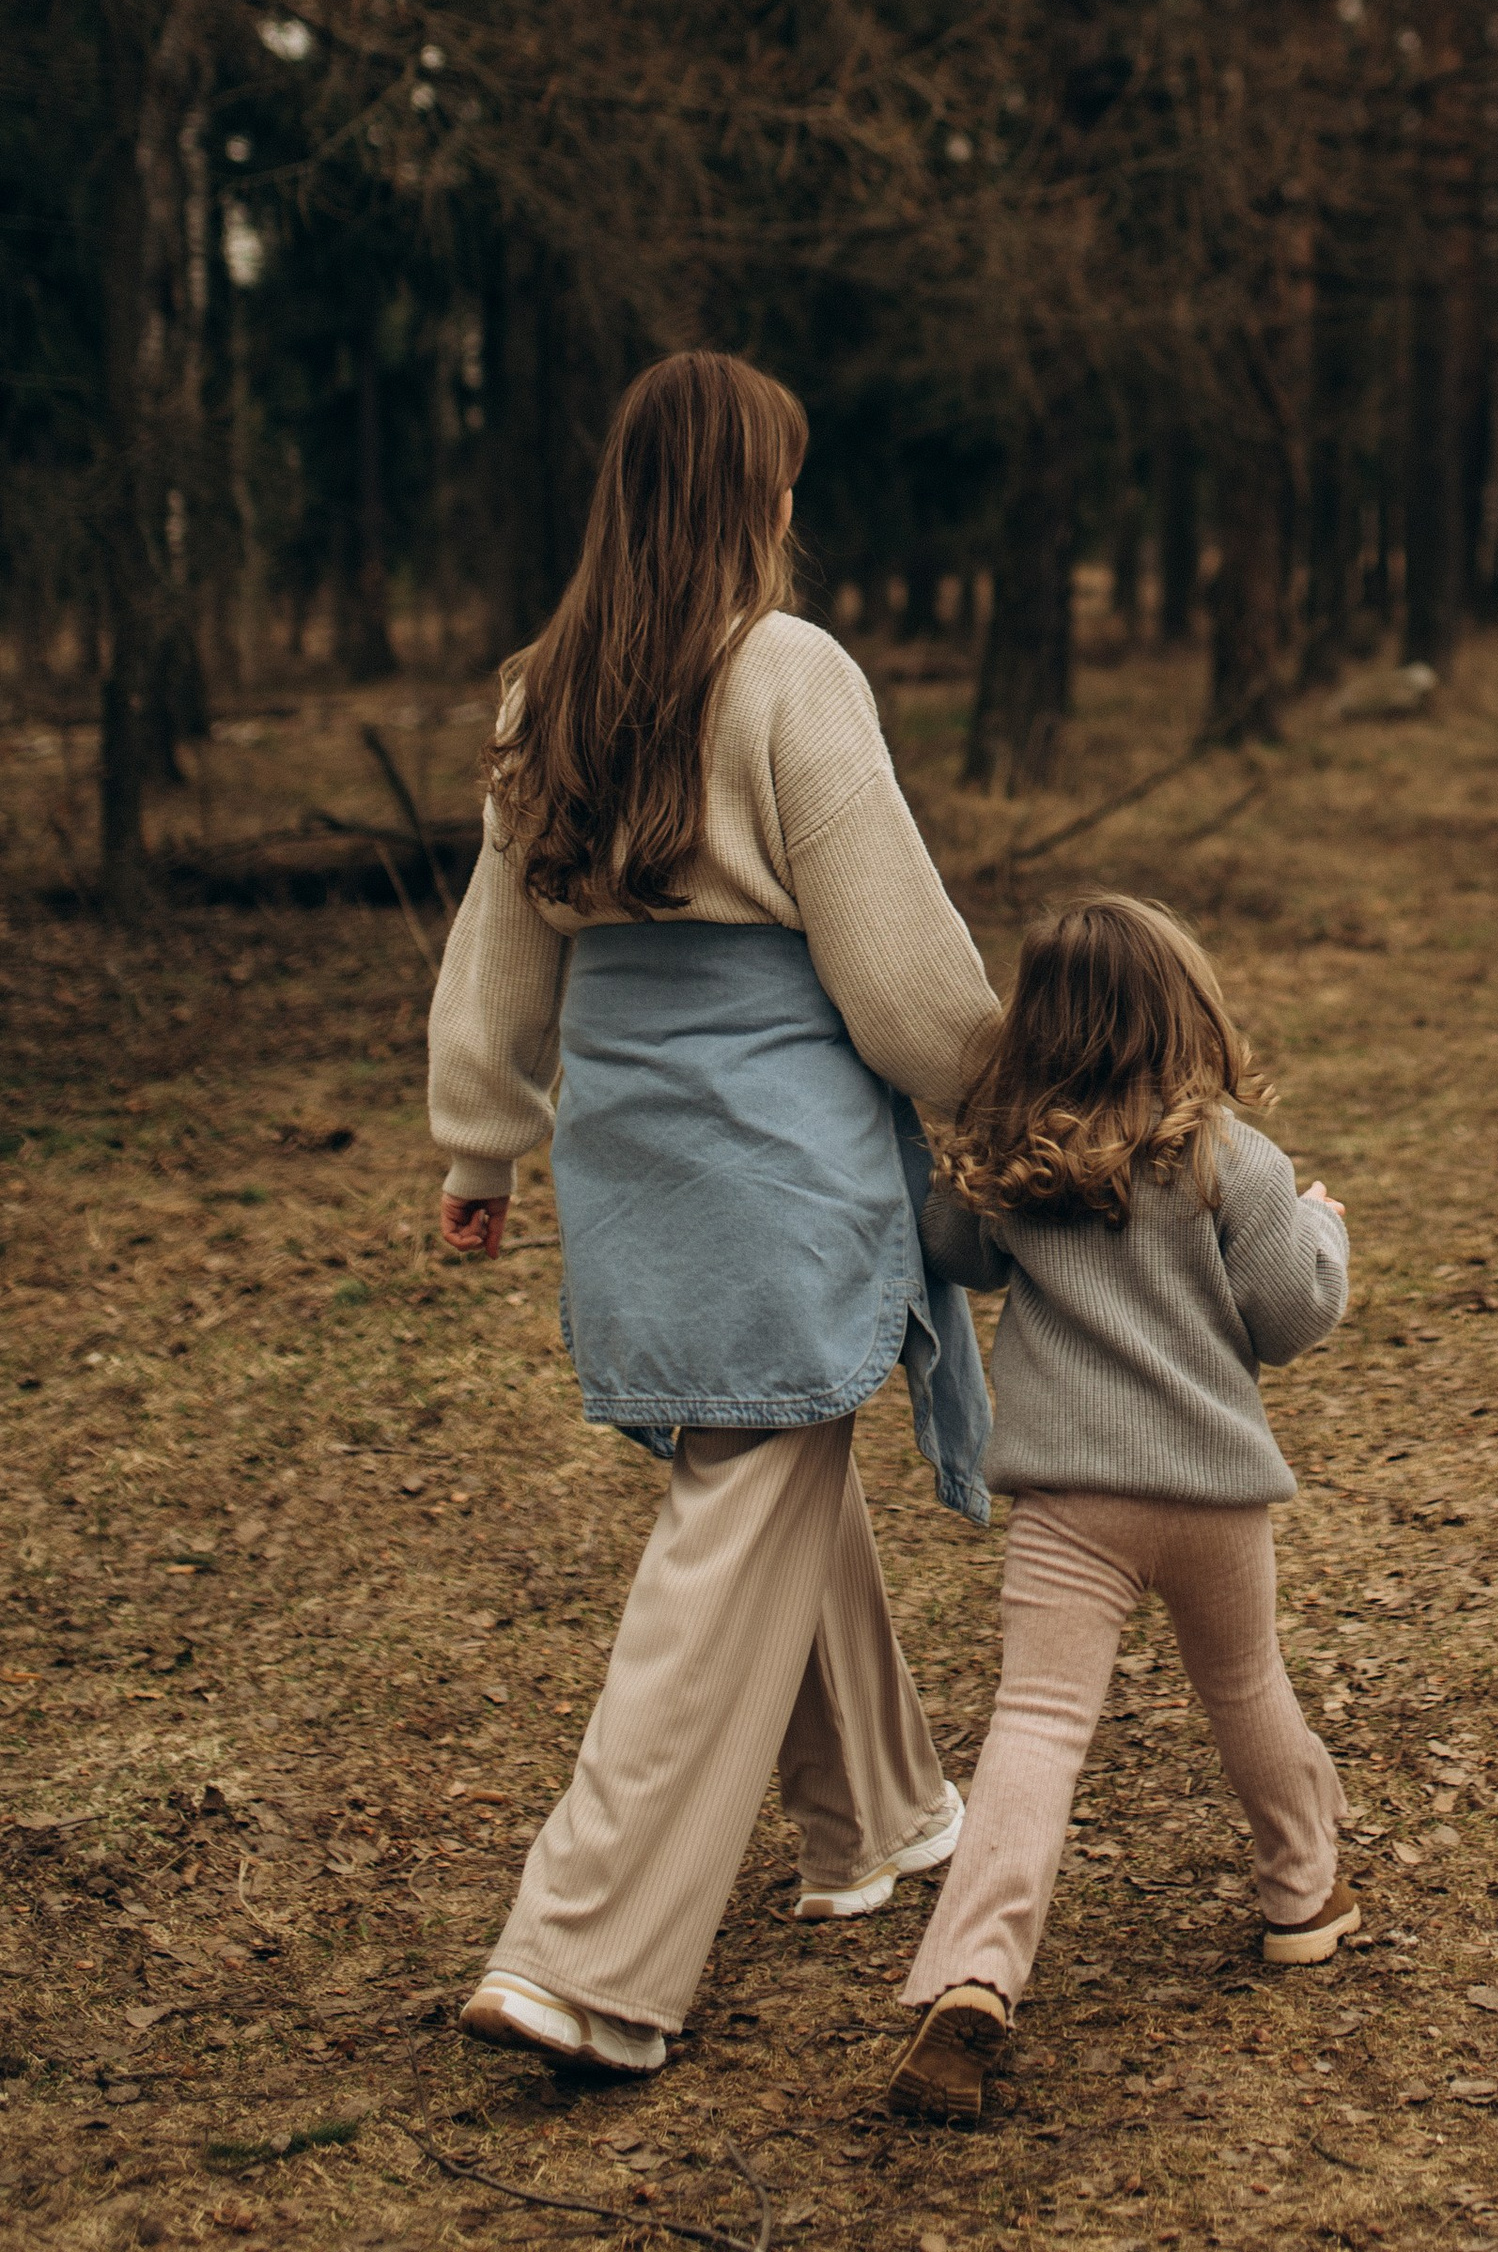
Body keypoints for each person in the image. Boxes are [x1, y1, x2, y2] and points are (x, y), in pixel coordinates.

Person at [426, 348, 1001, 2077]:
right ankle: (583, 1955)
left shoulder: (546, 688)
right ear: (752, 498)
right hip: (777, 1162)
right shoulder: (787, 674)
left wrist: (481, 1143)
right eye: (787, 483)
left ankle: (883, 1815)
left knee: (766, 1464)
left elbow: (498, 949)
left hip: (634, 1160)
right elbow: (891, 959)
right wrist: (990, 1081)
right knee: (737, 1504)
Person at [886, 893, 1353, 2126]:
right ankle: (1302, 1893)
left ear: (1037, 1027)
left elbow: (957, 1251)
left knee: (1037, 1723)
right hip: (1211, 1493)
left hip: (1067, 1502)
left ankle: (974, 1973)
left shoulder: (1022, 1163)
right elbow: (1291, 1317)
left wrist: (965, 1158)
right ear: (1182, 1012)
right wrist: (1322, 1231)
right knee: (1245, 1687)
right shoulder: (1234, 1163)